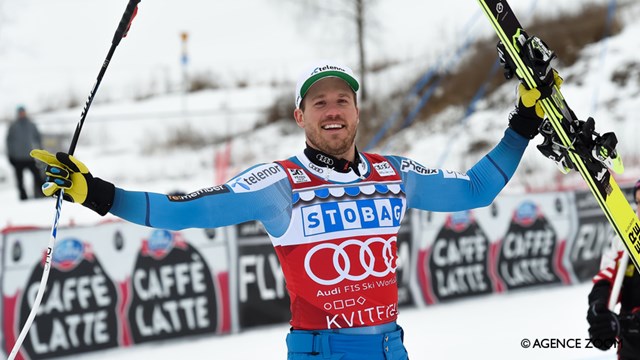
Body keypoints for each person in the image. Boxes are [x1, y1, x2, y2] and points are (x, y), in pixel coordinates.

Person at [31, 60, 556, 360]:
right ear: (301, 115)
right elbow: (184, 211)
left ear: (356, 110)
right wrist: (99, 193)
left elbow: (473, 191)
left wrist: (521, 129)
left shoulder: (392, 174)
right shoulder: (279, 183)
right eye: (320, 102)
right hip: (320, 352)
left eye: (342, 100)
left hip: (391, 349)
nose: (333, 110)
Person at [587, 179, 640, 360]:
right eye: (639, 202)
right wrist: (598, 309)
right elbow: (607, 275)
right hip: (631, 346)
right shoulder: (624, 240)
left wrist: (629, 322)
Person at [6, 105, 44, 200]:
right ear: (18, 114)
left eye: (23, 112)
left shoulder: (31, 125)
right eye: (20, 112)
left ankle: (42, 193)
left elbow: (38, 138)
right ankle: (23, 197)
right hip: (17, 158)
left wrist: (40, 151)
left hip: (29, 156)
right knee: (20, 180)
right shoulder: (13, 126)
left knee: (37, 175)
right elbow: (8, 141)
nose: (22, 114)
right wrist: (10, 155)